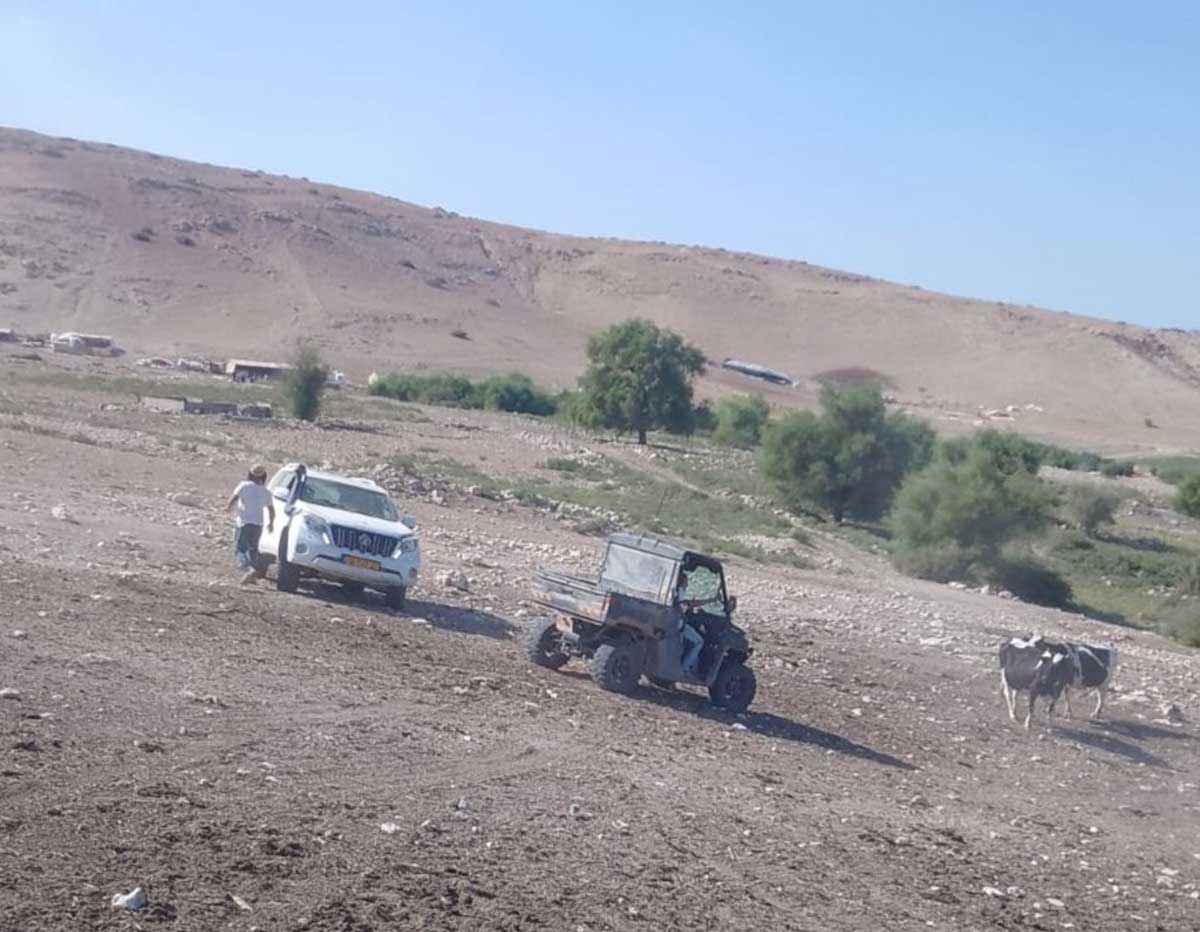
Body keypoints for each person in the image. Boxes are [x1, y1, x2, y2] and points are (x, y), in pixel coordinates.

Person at [226, 465, 275, 585]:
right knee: (253, 549)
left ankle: (250, 569)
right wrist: (271, 523)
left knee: (240, 549)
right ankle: (252, 577)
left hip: (244, 523)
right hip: (258, 525)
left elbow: (234, 498)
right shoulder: (266, 492)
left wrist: (228, 507)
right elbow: (271, 510)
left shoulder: (244, 485)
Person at [674, 570, 705, 675]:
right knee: (699, 642)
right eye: (686, 581)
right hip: (678, 626)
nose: (687, 584)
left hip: (677, 624)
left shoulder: (675, 590)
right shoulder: (680, 591)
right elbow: (684, 605)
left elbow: (686, 605)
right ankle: (684, 668)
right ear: (683, 581)